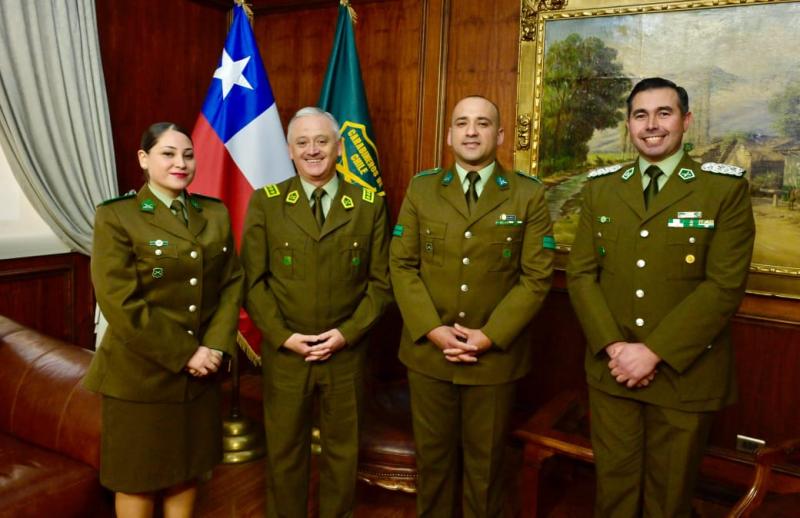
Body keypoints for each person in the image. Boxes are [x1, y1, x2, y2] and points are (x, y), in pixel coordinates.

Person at [566, 77, 756, 517]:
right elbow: (581, 274)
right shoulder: (601, 188)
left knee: (667, 503)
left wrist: (652, 353)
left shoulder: (722, 189)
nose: (651, 125)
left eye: (663, 113)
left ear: (686, 121)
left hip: (684, 376)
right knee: (613, 498)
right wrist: (615, 347)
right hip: (612, 371)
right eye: (640, 115)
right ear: (629, 125)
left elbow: (724, 286)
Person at [390, 95, 555, 517]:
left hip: (493, 360)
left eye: (482, 123)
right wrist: (432, 329)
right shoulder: (423, 188)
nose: (471, 131)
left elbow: (536, 277)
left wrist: (489, 336)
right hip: (429, 355)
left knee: (486, 470)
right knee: (433, 464)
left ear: (499, 135)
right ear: (449, 135)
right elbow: (402, 265)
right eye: (462, 123)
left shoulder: (527, 194)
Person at [83, 122, 244, 518]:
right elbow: (120, 302)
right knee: (137, 478)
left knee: (186, 472)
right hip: (140, 375)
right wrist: (188, 353)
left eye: (187, 155)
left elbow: (231, 283)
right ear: (144, 159)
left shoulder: (214, 213)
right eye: (168, 154)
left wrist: (215, 346)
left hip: (200, 375)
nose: (180, 163)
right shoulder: (118, 216)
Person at [240, 107, 392, 518]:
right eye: (302, 142)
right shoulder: (267, 203)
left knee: (343, 454)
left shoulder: (368, 205)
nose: (312, 150)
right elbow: (252, 281)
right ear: (289, 151)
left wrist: (346, 334)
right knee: (285, 453)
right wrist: (283, 336)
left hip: (346, 354)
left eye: (322, 141)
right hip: (287, 353)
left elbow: (381, 284)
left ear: (339, 148)